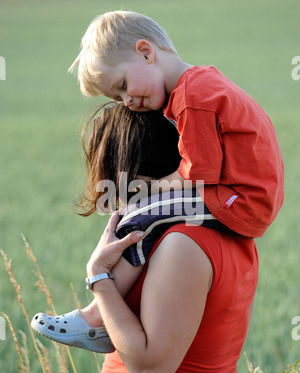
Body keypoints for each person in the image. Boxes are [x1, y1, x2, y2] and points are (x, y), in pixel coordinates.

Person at [33, 103, 258, 373]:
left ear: (138, 175)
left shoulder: (182, 245)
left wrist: (99, 278)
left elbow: (149, 372)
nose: (123, 202)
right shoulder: (212, 228)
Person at [68, 10, 284, 240]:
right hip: (251, 197)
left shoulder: (191, 98)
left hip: (240, 201)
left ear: (145, 53)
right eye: (118, 99)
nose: (127, 101)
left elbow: (196, 174)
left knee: (137, 219)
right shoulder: (201, 82)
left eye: (123, 84)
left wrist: (150, 188)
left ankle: (107, 276)